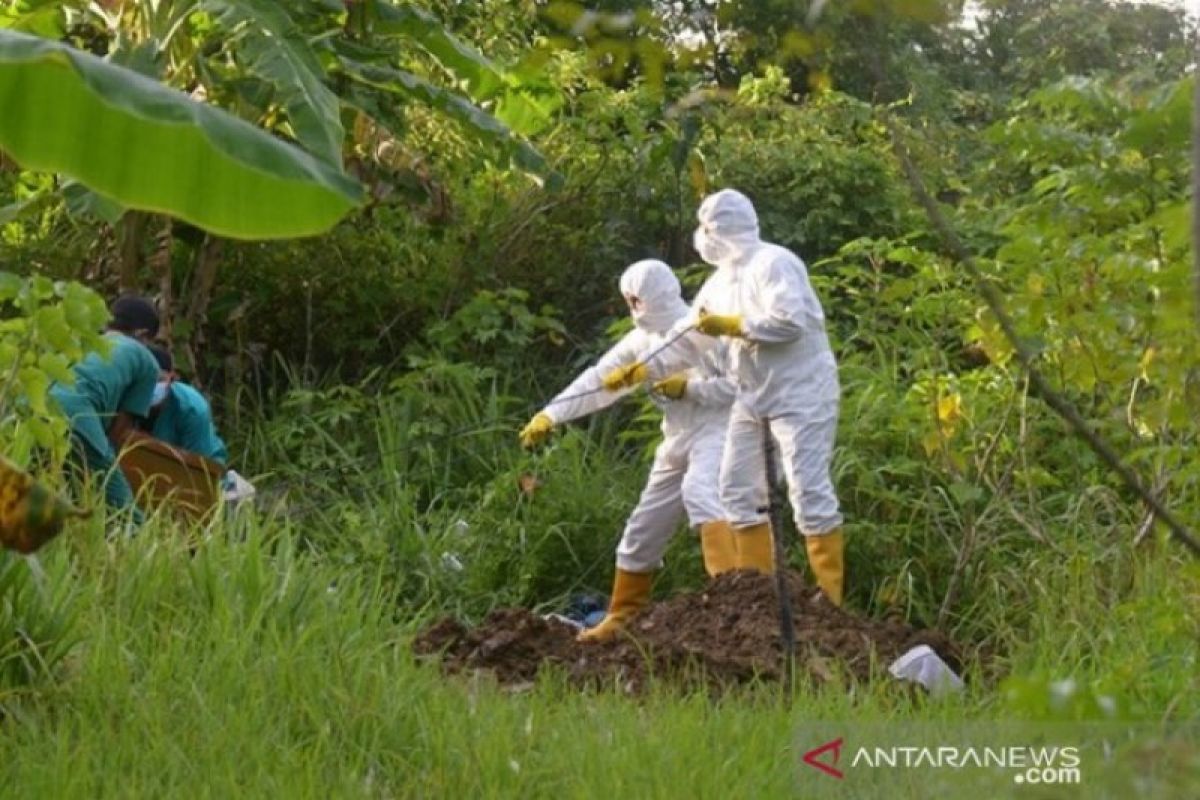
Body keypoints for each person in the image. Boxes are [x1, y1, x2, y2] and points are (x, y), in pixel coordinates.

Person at [611, 189, 846, 606]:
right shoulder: (716, 285)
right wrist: (647, 367)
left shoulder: (775, 263)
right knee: (736, 490)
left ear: (724, 229)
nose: (702, 238)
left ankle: (829, 600)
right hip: (752, 396)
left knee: (807, 490)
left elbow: (789, 323)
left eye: (707, 228)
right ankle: (759, 598)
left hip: (802, 392)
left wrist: (735, 325)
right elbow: (689, 340)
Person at [519, 259, 740, 642]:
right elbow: (599, 381)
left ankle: (736, 605)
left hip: (719, 428)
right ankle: (622, 615)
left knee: (702, 493)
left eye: (636, 299)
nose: (632, 308)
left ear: (654, 295)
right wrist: (550, 415)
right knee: (643, 525)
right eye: (628, 300)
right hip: (677, 437)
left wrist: (689, 389)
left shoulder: (701, 330)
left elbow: (741, 388)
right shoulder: (640, 342)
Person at [49, 295, 160, 522]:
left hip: (31, 410)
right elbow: (119, 431)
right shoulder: (146, 360)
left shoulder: (85, 342)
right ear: (143, 334)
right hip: (77, 413)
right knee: (125, 515)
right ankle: (146, 550)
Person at [145, 345, 254, 505]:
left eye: (159, 379)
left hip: (195, 463)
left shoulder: (191, 408)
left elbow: (197, 468)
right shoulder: (124, 399)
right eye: (146, 380)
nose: (150, 386)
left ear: (172, 378)